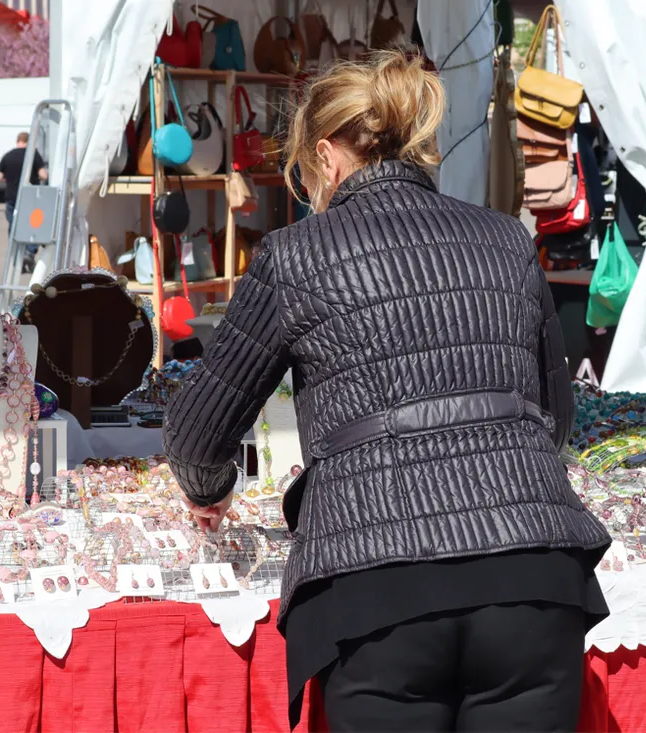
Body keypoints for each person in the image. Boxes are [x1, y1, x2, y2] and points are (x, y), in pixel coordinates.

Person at [163, 51, 611, 733]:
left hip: (379, 588)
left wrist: (209, 491)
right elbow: (554, 419)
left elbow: (197, 433)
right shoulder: (506, 240)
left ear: (326, 156)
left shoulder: (295, 255)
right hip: (532, 578)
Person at [0, 132, 48, 273]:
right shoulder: (33, 155)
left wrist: (8, 178)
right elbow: (44, 175)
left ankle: (16, 257)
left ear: (18, 141)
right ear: (29, 141)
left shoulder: (8, 156)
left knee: (14, 227)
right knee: (32, 226)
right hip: (29, 197)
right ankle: (29, 253)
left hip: (12, 197)